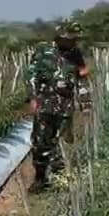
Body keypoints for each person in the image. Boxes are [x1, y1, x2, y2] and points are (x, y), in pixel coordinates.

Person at [26, 20, 89, 192]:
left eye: (75, 39)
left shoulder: (76, 54)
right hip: (45, 103)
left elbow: (82, 79)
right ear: (60, 37)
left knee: (63, 142)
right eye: (70, 39)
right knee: (41, 141)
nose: (73, 42)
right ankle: (40, 178)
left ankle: (60, 181)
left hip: (65, 105)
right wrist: (33, 98)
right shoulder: (43, 50)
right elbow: (32, 75)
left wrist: (86, 103)